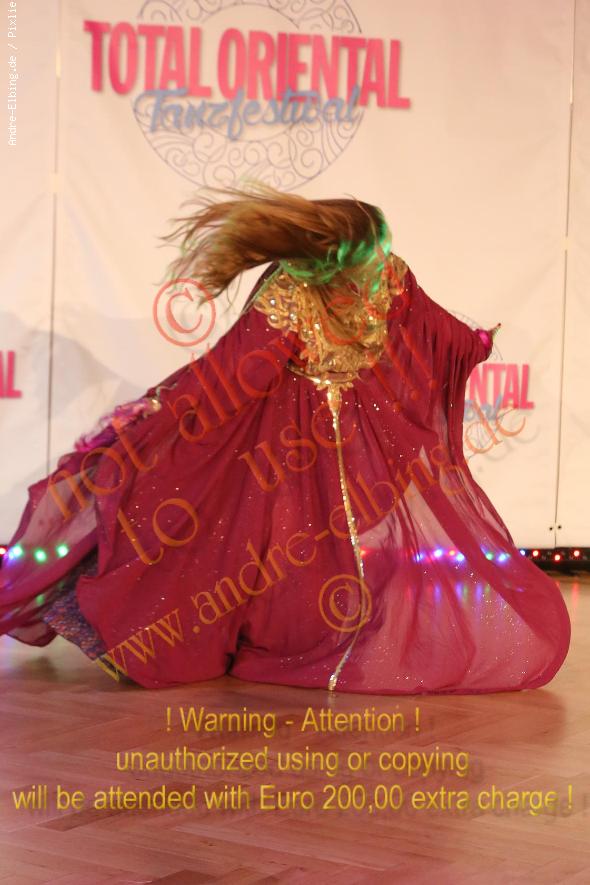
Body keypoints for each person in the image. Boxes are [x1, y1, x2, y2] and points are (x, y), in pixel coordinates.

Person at [0, 186, 570, 694]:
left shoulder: (388, 275)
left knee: (298, 545)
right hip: (284, 436)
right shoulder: (296, 288)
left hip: (339, 435)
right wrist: (164, 409)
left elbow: (427, 324)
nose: (375, 266)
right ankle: (248, 632)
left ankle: (304, 633)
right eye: (370, 253)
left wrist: (472, 342)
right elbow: (235, 371)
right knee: (260, 542)